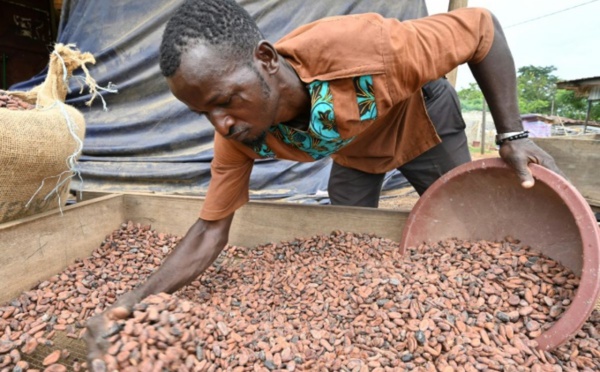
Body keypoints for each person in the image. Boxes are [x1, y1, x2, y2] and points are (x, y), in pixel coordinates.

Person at [85, 0, 563, 368]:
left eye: (226, 100)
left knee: (469, 230)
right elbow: (211, 230)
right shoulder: (236, 135)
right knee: (350, 237)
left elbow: (482, 29)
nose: (221, 125)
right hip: (353, 148)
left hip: (420, 120)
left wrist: (512, 133)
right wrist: (132, 301)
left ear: (266, 59)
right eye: (204, 113)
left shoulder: (367, 47)